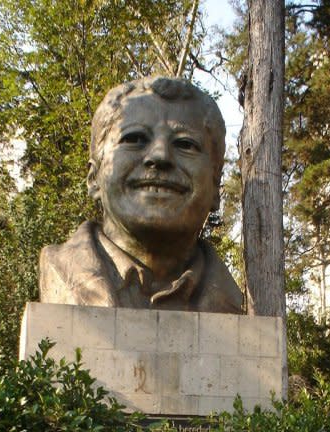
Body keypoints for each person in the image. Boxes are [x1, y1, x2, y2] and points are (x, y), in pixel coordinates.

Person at [39, 76, 243, 313]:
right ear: (94, 178)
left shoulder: (231, 300)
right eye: (134, 139)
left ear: (216, 185)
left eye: (185, 144)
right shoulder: (61, 275)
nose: (160, 156)